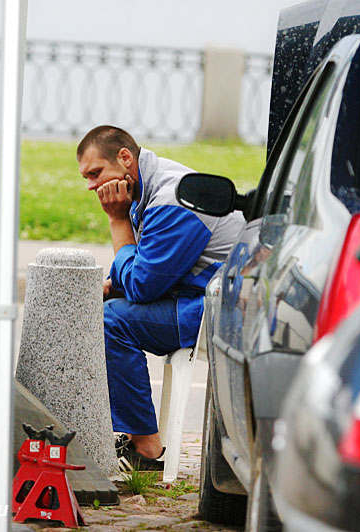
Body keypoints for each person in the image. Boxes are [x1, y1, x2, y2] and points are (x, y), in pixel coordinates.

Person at [76, 125, 244, 470]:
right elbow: (148, 267)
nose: (91, 186)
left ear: (125, 158)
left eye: (95, 173)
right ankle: (124, 431)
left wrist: (117, 220)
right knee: (104, 306)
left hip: (222, 311)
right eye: (87, 178)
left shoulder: (171, 201)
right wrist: (112, 285)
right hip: (199, 297)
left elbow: (142, 286)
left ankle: (146, 450)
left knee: (112, 321)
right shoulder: (148, 185)